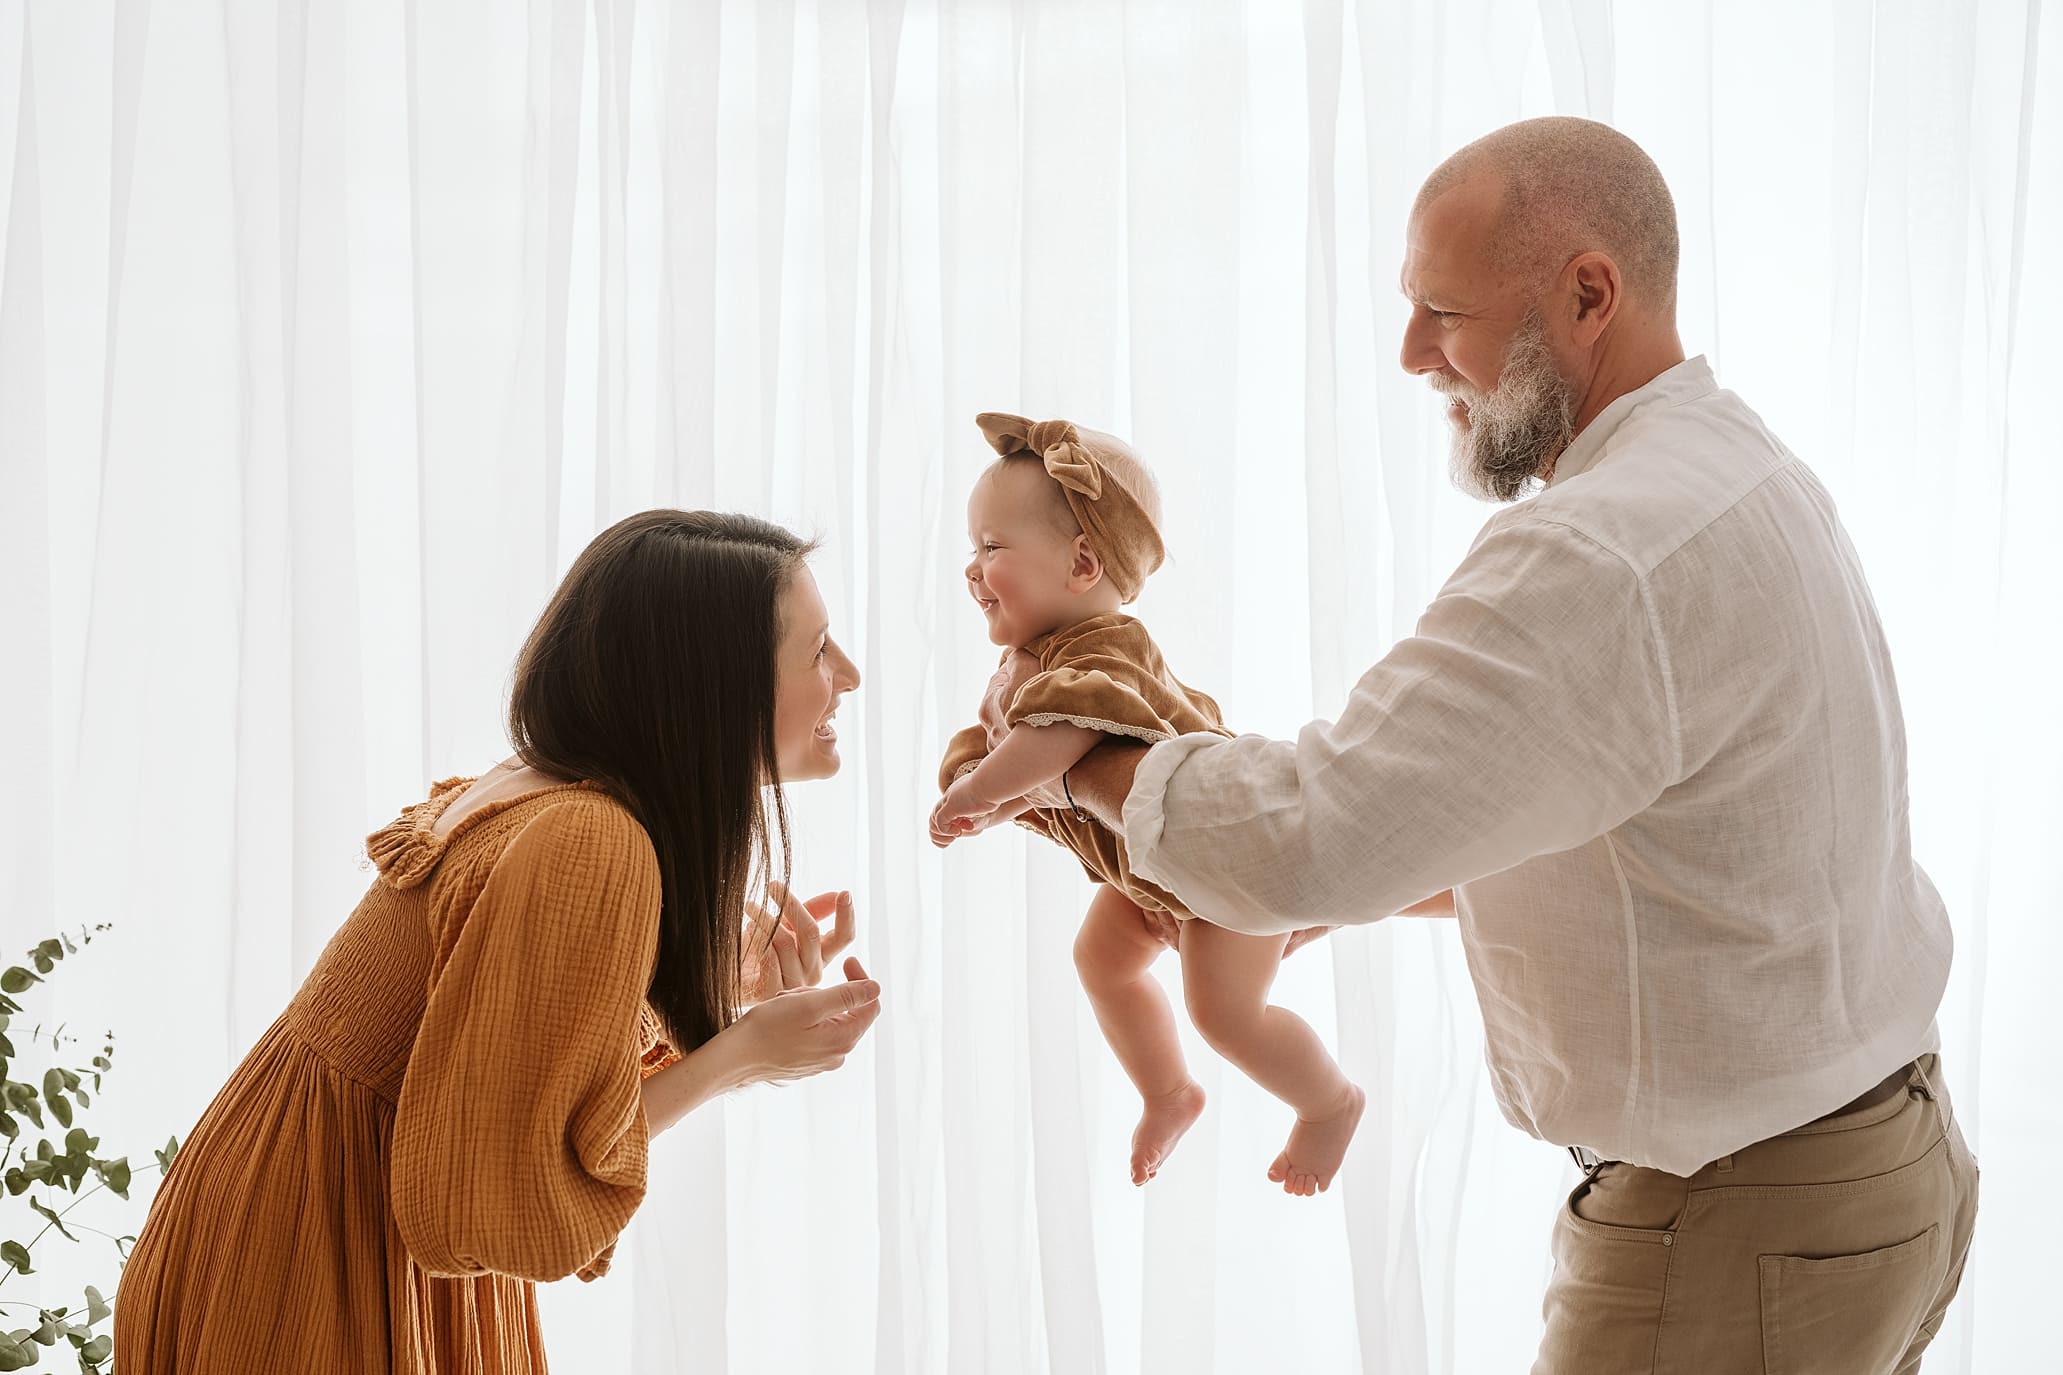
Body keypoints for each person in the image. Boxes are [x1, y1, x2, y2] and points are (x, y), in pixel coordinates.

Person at [1024, 117, 1978, 1373]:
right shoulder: (1740, 463)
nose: (1412, 353)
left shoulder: (1595, 551)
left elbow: (1303, 836)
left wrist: (1074, 744)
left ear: (1588, 294)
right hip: (1882, 1172)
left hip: (1737, 1219)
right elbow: (1665, 832)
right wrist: (1369, 893)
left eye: (1443, 311)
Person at [114, 510, 883, 1374]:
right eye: (818, 650)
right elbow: (494, 1191)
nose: (848, 674)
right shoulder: (590, 839)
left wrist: (699, 986)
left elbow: (494, 1058)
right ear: (713, 684)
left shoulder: (544, 795)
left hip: (282, 1217)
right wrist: (739, 1057)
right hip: (319, 1260)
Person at [931, 413, 1363, 1195]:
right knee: (1099, 958)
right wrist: (987, 795)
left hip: (1225, 870)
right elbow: (1019, 759)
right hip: (1152, 877)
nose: (972, 568)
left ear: (1082, 563)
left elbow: (1055, 742)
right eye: (972, 547)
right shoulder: (1028, 663)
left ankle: (1328, 1101)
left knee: (1223, 1012)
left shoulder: (1104, 648)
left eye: (991, 548)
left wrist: (978, 791)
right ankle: (1168, 1090)